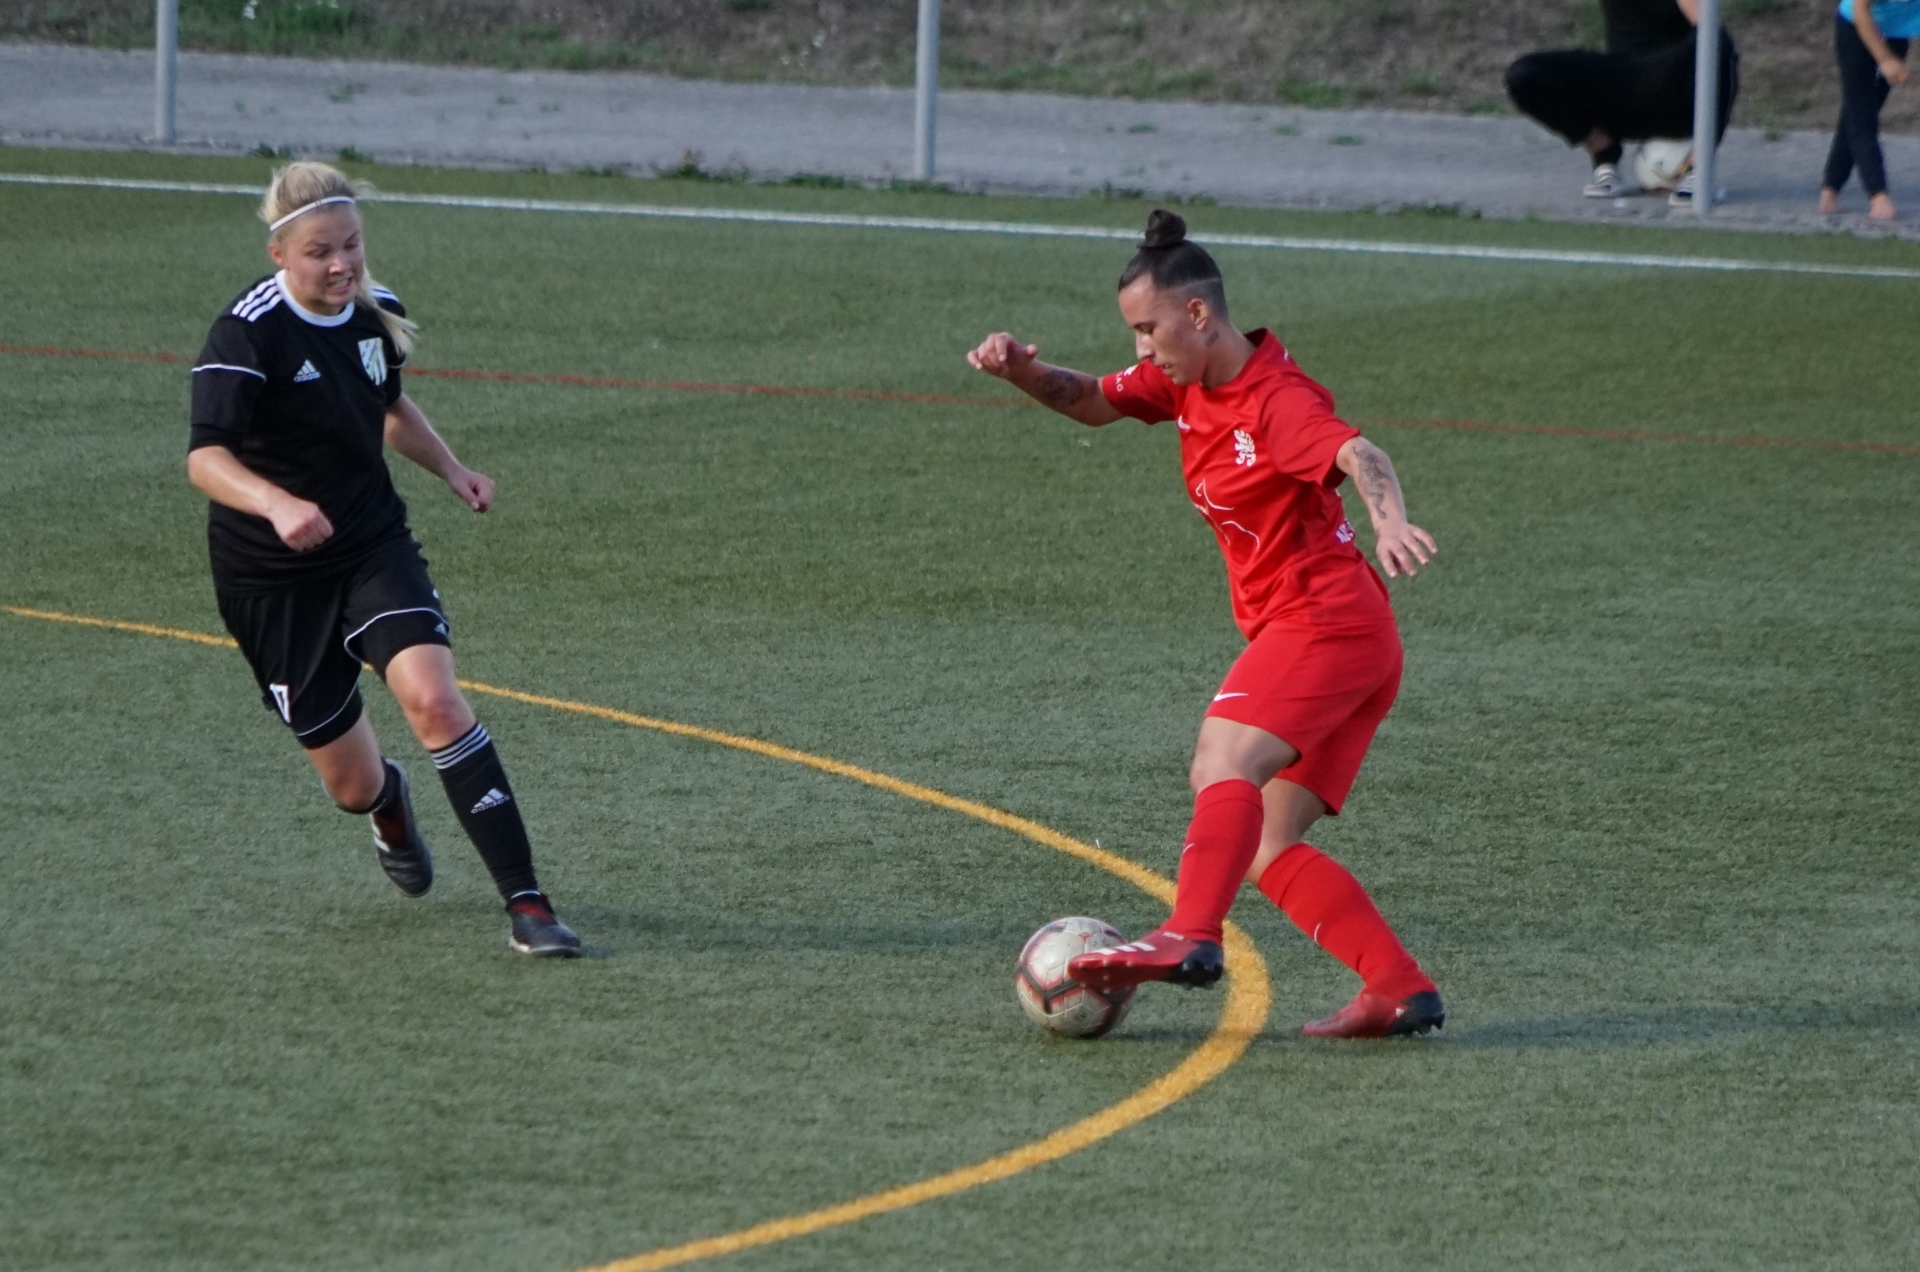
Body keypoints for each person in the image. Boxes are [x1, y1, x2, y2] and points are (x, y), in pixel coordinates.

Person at [967, 210, 1444, 1039]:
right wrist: (1020, 372)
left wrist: (1390, 520)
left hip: (1324, 621)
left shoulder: (1276, 399)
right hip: (1350, 636)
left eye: (1147, 329)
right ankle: (1398, 986)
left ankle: (1191, 932)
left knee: (1221, 759)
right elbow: (1091, 399)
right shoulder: (1185, 382)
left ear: (1196, 314)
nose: (1141, 348)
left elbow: (1360, 455)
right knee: (1263, 847)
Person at [187, 160, 581, 956]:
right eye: (320, 253)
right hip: (270, 580)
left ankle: (529, 904)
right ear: (279, 255)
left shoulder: (374, 312)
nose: (342, 266)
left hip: (369, 544)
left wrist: (452, 469)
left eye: (352, 246)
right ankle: (387, 803)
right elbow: (206, 460)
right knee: (352, 784)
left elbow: (388, 403)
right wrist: (277, 503)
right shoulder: (247, 332)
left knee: (435, 701)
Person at [1505, 0, 1739, 206]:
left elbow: (1704, 25)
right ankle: (1604, 154)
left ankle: (1699, 170)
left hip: (1677, 89)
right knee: (1525, 74)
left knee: (1717, 41)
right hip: (1624, 83)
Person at [1820, 0, 1917, 220]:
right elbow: (1860, 8)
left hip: (1895, 34)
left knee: (1858, 112)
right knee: (1862, 116)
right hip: (1856, 27)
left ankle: (1831, 187)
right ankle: (1877, 195)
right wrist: (1885, 60)